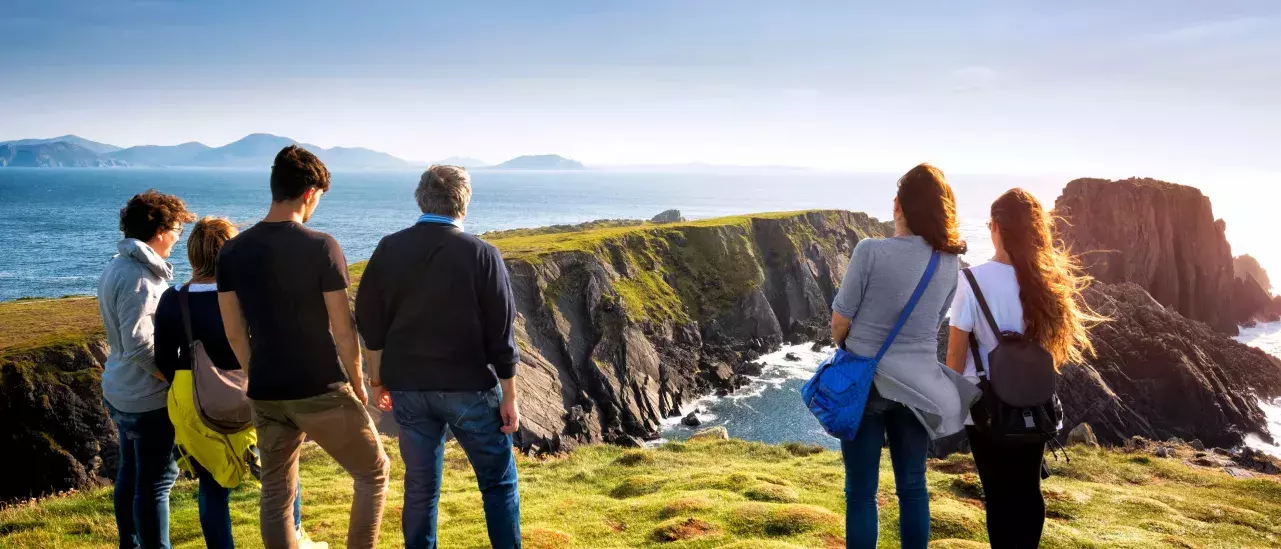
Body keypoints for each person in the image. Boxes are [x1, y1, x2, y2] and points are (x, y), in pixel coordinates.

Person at [217, 145, 390, 549]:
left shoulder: (232, 250)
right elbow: (343, 330)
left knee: (276, 491)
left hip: (266, 389)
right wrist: (359, 381)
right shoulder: (321, 246)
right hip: (320, 387)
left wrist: (254, 371)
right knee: (373, 472)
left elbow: (233, 330)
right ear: (310, 193)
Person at [355, 165, 522, 549]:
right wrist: (510, 395)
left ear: (421, 198)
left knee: (420, 488)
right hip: (471, 389)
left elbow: (369, 321)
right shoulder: (482, 253)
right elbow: (501, 333)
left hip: (410, 389)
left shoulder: (388, 248)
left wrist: (376, 380)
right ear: (464, 201)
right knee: (497, 483)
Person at [829, 164, 980, 549]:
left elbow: (839, 320)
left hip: (866, 385)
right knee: (913, 486)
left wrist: (847, 345)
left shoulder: (870, 251)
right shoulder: (950, 264)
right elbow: (934, 322)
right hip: (918, 389)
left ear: (898, 205)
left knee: (861, 492)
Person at [153, 217, 325, 549]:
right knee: (281, 475)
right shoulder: (253, 294)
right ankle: (294, 539)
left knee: (213, 485)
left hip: (197, 403)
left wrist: (198, 385)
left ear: (193, 254)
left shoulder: (175, 298)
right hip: (256, 393)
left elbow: (162, 358)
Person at [945, 188, 1099, 548]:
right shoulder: (1045, 282)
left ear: (995, 227)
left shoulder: (970, 281)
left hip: (985, 408)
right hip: (1034, 403)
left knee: (999, 496)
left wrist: (949, 408)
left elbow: (954, 358)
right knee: (1029, 492)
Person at [98, 189, 195, 549]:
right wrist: (175, 380)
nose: (178, 237)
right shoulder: (141, 278)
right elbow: (140, 344)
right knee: (157, 483)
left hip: (120, 388)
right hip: (146, 397)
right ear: (160, 230)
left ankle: (131, 543)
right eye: (176, 229)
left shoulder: (116, 266)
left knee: (131, 472)